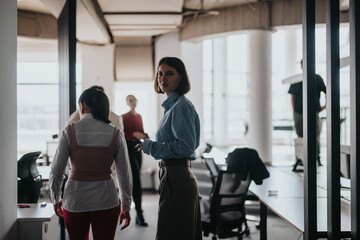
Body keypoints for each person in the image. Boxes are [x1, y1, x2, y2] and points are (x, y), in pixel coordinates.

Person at [49, 88, 132, 240]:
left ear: (82, 105)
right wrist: (126, 205)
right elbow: (124, 174)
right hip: (106, 200)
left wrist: (56, 198)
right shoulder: (116, 134)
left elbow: (56, 171)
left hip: (75, 200)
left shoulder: (69, 132)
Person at [135, 57, 202, 240]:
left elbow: (186, 146)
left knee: (173, 234)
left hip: (178, 175)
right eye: (160, 74)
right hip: (172, 174)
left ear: (181, 78)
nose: (163, 78)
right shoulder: (172, 108)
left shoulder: (181, 107)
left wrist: (151, 146)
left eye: (170, 74)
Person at [288, 59, 327, 166]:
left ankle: (317, 157)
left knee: (315, 135)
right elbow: (292, 97)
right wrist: (295, 111)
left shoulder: (318, 79)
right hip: (299, 113)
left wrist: (324, 107)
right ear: (301, 66)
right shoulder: (297, 79)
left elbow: (327, 92)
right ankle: (301, 158)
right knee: (300, 136)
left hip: (313, 113)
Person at [121, 95, 148, 227]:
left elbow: (141, 132)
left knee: (137, 179)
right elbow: (121, 134)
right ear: (127, 103)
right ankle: (138, 213)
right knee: (135, 180)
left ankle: (138, 213)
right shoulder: (123, 117)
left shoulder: (139, 117)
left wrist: (144, 136)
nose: (133, 102)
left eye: (134, 100)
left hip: (138, 149)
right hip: (128, 149)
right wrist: (132, 135)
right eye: (130, 100)